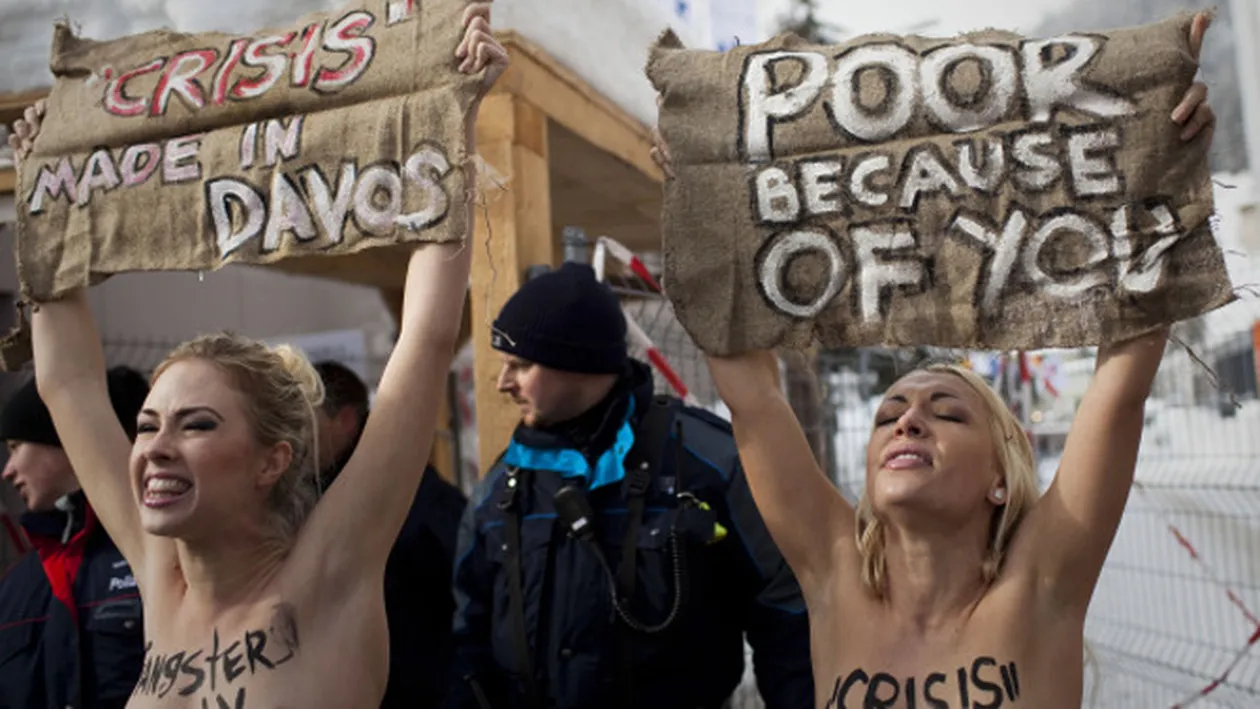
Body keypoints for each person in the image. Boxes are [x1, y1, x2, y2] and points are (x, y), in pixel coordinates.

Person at [654, 13, 1218, 709]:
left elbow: (1120, 385)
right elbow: (753, 398)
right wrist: (702, 188)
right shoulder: (831, 575)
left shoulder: (1042, 584)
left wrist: (1158, 154)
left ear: (1000, 480)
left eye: (946, 412)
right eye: (890, 413)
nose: (907, 421)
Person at [7, 5, 506, 707]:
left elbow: (422, 341)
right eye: (147, 424)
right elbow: (68, 383)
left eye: (196, 424)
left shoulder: (330, 574)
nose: (154, 447)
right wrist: (43, 193)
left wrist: (451, 116)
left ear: (273, 459)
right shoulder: (160, 579)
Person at [446, 261, 814, 709]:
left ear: (578, 363)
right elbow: (467, 636)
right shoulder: (503, 485)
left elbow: (787, 611)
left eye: (521, 365)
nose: (503, 383)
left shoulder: (705, 462)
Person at [313, 359, 468, 709]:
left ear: (345, 421)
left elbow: (468, 588)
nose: (295, 436)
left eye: (307, 421)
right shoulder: (315, 491)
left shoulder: (409, 489)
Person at [0, 367, 150, 709]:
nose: (7, 471)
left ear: (67, 437)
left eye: (16, 446)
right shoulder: (14, 588)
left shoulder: (158, 553)